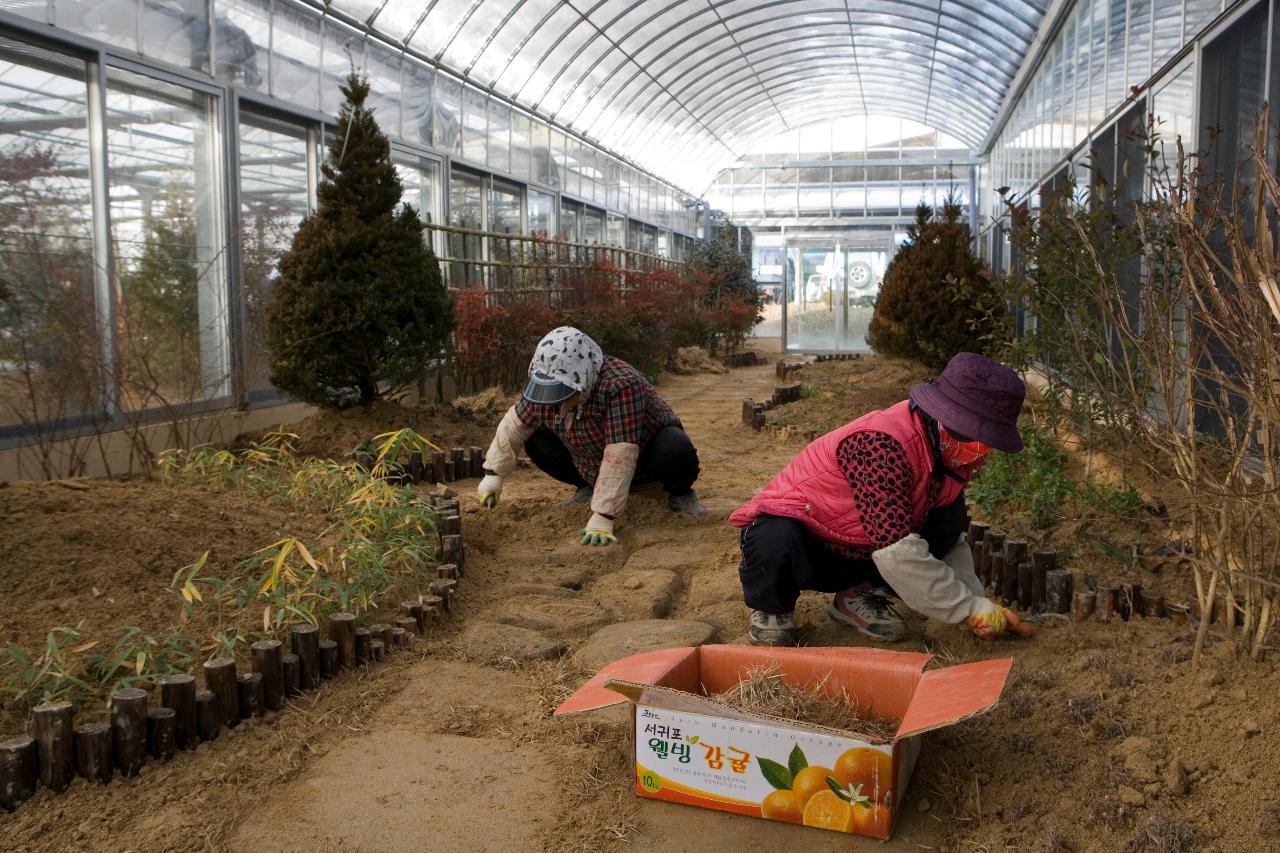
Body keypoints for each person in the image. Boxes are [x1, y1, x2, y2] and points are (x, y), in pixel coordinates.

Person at [728, 352, 1035, 645]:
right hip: (809, 541)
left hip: (858, 545)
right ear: (945, 421)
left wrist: (978, 602)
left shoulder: (948, 458)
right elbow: (896, 552)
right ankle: (773, 606)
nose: (981, 457)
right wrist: (967, 608)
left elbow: (950, 543)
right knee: (774, 534)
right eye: (977, 443)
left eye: (987, 446)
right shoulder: (879, 446)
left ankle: (854, 595)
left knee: (948, 521)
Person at [477, 326, 704, 544]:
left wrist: (603, 516)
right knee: (537, 441)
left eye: (563, 393)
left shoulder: (620, 385)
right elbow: (515, 425)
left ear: (583, 381)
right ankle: (588, 486)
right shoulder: (544, 382)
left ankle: (680, 493)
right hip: (589, 460)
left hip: (646, 460)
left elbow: (620, 452)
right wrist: (493, 474)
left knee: (676, 448)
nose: (556, 401)